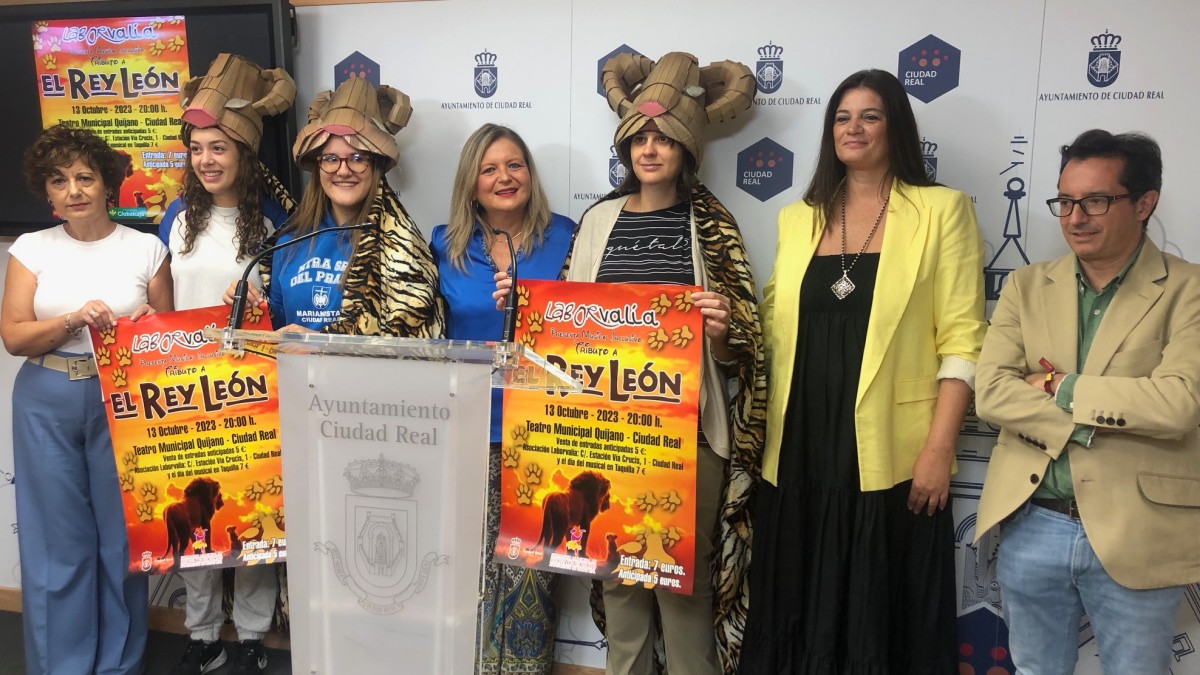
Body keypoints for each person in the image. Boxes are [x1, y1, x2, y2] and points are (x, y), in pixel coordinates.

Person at [505, 51, 765, 675]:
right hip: (607, 435)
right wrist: (521, 308)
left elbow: (745, 346)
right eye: (640, 138)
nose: (650, 149)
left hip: (688, 435)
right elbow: (562, 330)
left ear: (686, 148)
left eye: (664, 138)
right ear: (626, 148)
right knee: (619, 579)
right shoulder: (598, 221)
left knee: (682, 584)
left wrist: (723, 330)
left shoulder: (712, 226)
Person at [739, 69, 986, 674]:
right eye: (842, 117)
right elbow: (773, 323)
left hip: (891, 453)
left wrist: (939, 449)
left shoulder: (941, 210)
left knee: (880, 610)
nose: (854, 128)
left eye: (870, 115)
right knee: (795, 599)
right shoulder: (798, 217)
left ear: (895, 126)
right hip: (799, 443)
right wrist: (725, 333)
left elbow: (963, 341)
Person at [974, 129, 1200, 674]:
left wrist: (1061, 386)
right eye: (1065, 201)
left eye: (1096, 201)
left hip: (1139, 531)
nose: (1076, 217)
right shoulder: (1026, 286)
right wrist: (1083, 425)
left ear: (1144, 203)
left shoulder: (1188, 289)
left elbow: (1177, 403)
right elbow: (992, 392)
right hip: (1032, 521)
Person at [2, 123, 173, 675]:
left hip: (122, 399)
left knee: (123, 541)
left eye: (84, 177)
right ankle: (63, 666)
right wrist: (73, 319)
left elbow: (168, 337)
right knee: (58, 545)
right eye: (59, 181)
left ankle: (119, 664)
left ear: (106, 183)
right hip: (45, 400)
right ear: (46, 192)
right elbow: (14, 337)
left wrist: (149, 324)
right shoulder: (31, 249)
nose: (73, 190)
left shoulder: (147, 248)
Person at [164, 53, 296, 675]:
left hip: (251, 390)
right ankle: (199, 633)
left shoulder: (276, 221)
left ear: (244, 152)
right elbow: (160, 304)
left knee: (251, 515)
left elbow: (285, 303)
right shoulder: (175, 219)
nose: (206, 160)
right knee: (197, 517)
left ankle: (250, 635)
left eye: (218, 147)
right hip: (186, 389)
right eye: (196, 149)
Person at [432, 123, 574, 674]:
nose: (503, 177)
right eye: (488, 169)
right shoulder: (442, 244)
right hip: (464, 429)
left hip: (541, 433)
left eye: (514, 165)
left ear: (530, 175)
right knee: (464, 570)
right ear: (471, 182)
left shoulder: (567, 236)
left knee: (529, 577)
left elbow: (587, 330)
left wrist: (534, 305)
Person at [229, 77, 443, 337]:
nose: (343, 170)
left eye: (357, 158)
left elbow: (413, 339)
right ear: (318, 166)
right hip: (295, 366)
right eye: (331, 158)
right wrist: (250, 305)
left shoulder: (403, 248)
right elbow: (277, 325)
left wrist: (323, 343)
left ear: (375, 166)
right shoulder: (289, 241)